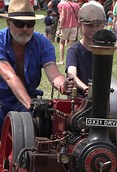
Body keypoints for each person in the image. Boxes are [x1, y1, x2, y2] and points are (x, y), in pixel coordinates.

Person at [0, 0, 76, 137]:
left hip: (25, 101)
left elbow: (53, 72)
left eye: (30, 24)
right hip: (2, 99)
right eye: (19, 23)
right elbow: (9, 76)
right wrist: (30, 103)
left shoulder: (42, 43)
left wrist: (62, 85)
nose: (25, 28)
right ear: (8, 23)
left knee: (38, 126)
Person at [66, 4, 106, 96]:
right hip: (79, 100)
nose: (94, 29)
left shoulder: (104, 50)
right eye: (90, 25)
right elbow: (71, 74)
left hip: (101, 98)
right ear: (80, 24)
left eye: (98, 25)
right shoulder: (74, 50)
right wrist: (86, 89)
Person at [57, 0, 80, 65]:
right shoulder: (76, 5)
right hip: (74, 26)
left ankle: (61, 60)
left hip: (65, 26)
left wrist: (59, 27)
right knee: (71, 44)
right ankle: (70, 60)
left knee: (62, 42)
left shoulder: (62, 4)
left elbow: (62, 17)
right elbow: (78, 16)